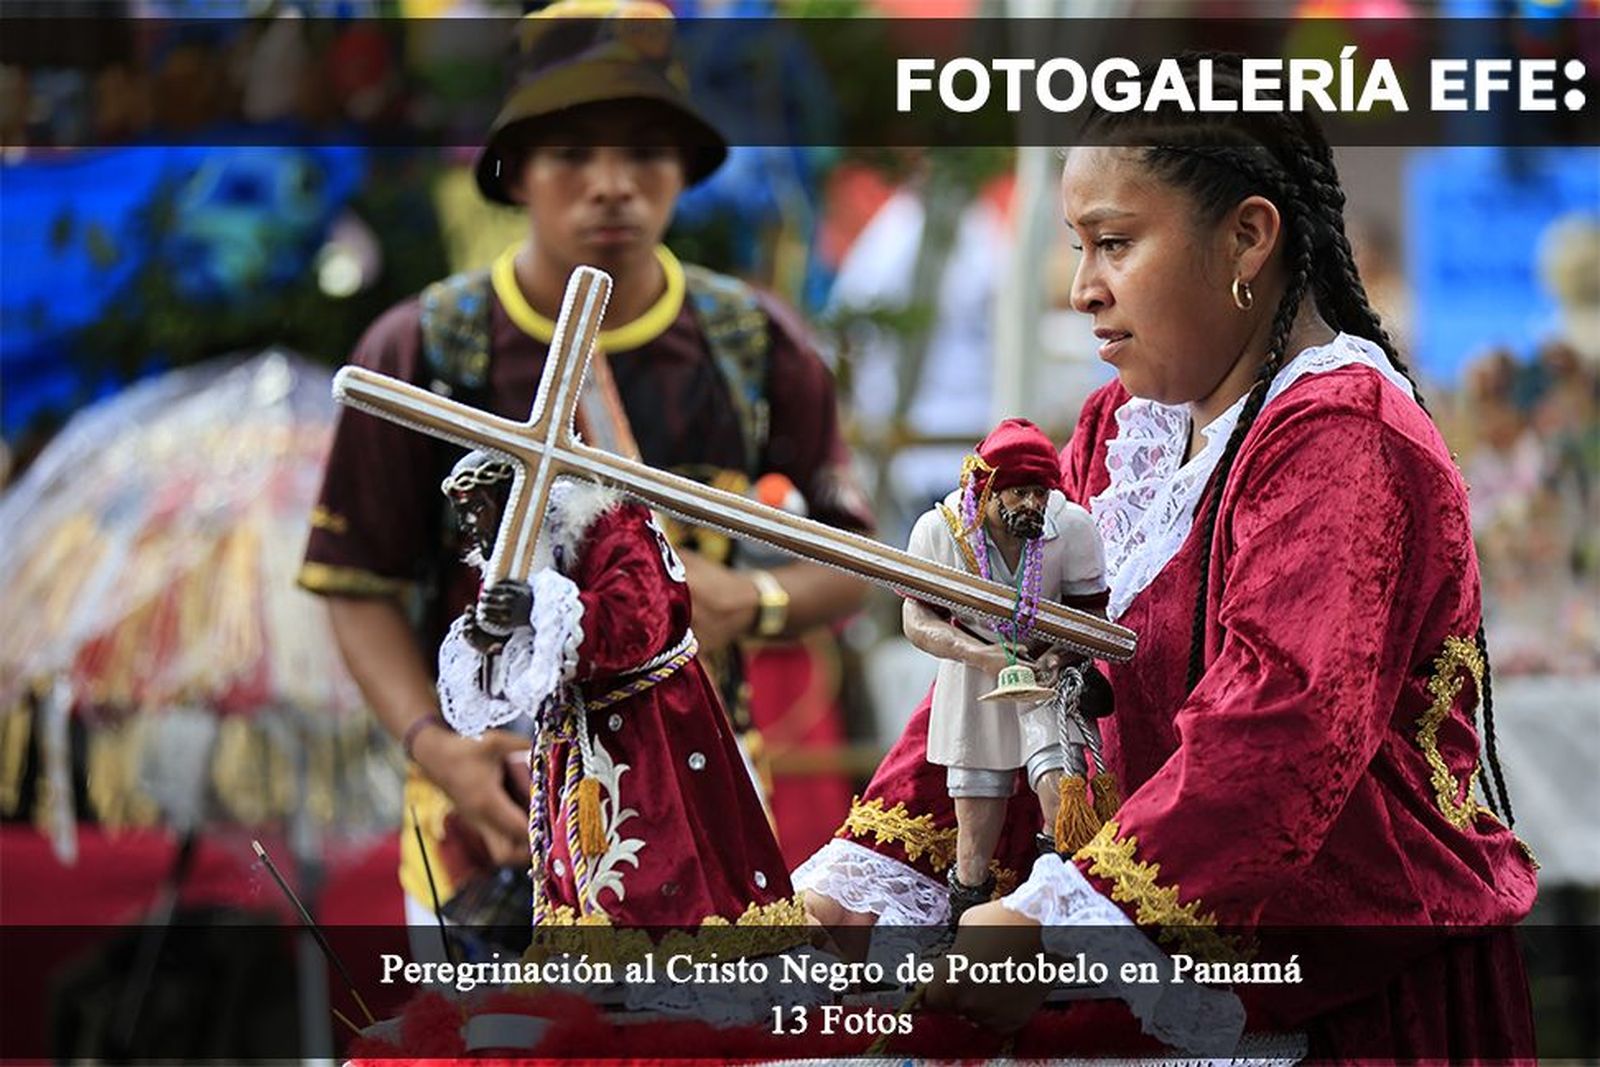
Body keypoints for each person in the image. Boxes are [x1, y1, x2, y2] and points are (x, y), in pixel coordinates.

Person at [804, 56, 1538, 1059]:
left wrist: (1052, 921)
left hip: (1340, 997)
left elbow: (1283, 725)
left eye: (1114, 243)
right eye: (1075, 246)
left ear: (1247, 234)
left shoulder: (1343, 434)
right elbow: (1020, 656)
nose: (1080, 289)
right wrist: (866, 874)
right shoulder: (1122, 428)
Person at [298, 0, 870, 927]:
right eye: (570, 153)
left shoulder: (753, 345)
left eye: (645, 150)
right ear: (514, 169)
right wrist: (436, 744)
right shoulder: (425, 351)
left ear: (684, 168)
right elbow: (353, 582)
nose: (612, 185)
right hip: (477, 824)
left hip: (710, 808)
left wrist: (752, 603)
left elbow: (852, 559)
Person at [432, 451, 797, 928]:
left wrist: (537, 610)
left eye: (480, 511)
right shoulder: (519, 551)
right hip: (577, 738)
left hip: (649, 728)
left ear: (511, 495)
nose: (475, 531)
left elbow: (639, 619)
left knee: (664, 858)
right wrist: (492, 638)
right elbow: (516, 657)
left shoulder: (610, 524)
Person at [898, 418, 1110, 925]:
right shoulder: (940, 529)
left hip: (1047, 672)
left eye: (1039, 493)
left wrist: (1058, 657)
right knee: (975, 820)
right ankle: (964, 920)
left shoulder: (1073, 526)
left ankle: (1055, 914)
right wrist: (982, 657)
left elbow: (1093, 616)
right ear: (986, 487)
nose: (1031, 505)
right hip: (973, 675)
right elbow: (915, 619)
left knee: (1063, 794)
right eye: (1018, 494)